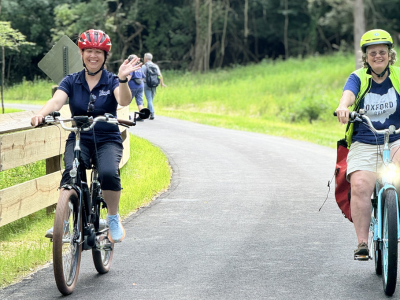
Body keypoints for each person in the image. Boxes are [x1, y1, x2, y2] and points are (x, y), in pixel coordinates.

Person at [31, 29, 142, 243]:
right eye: (89, 51)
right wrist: (40, 115)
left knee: (109, 173)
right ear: (81, 54)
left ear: (105, 56)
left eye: (98, 52)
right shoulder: (71, 81)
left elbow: (124, 101)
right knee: (71, 173)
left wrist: (122, 80)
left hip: (107, 138)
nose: (93, 56)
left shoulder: (111, 80)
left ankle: (112, 217)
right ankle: (64, 223)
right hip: (79, 136)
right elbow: (56, 101)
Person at [335, 29, 400, 259]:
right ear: (366, 56)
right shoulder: (359, 77)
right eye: (373, 53)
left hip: (395, 139)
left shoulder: (399, 76)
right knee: (361, 184)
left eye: (382, 51)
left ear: (389, 54)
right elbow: (348, 95)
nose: (378, 56)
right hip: (365, 140)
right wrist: (344, 107)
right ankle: (363, 243)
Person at [142, 53, 166, 120]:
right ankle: (147, 113)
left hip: (146, 84)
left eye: (144, 58)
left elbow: (141, 76)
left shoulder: (144, 66)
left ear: (146, 59)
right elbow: (160, 75)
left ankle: (152, 113)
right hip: (154, 85)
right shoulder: (155, 66)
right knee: (151, 100)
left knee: (149, 100)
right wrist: (161, 83)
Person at [126, 54, 146, 121]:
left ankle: (126, 115)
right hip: (140, 85)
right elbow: (143, 76)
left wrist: (123, 83)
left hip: (132, 86)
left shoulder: (131, 67)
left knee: (127, 101)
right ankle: (142, 115)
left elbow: (129, 77)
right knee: (140, 101)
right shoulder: (139, 67)